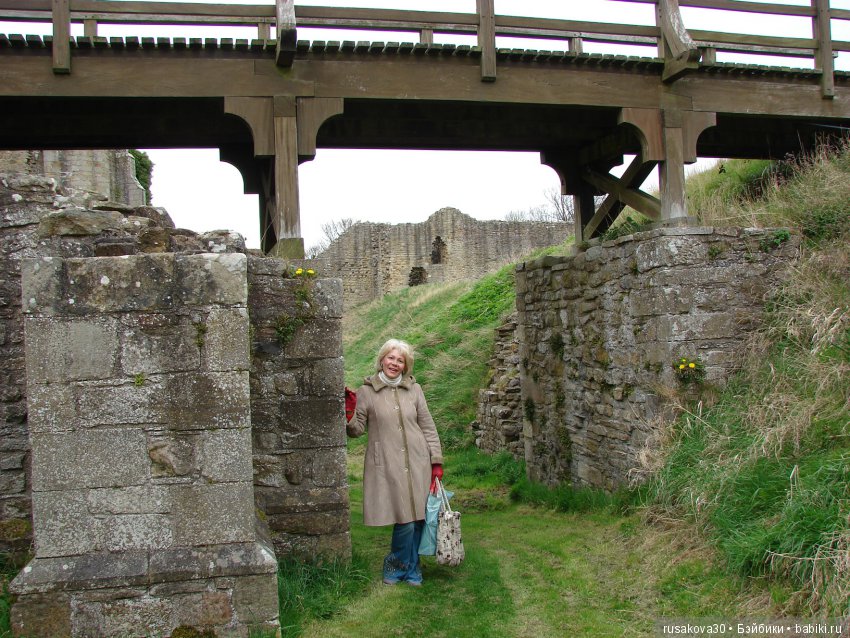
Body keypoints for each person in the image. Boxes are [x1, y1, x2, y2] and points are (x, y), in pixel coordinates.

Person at [346, 338, 444, 586]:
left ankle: (411, 570)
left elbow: (428, 427)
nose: (394, 363)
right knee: (405, 520)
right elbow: (356, 430)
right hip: (387, 463)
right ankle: (398, 564)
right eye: (391, 358)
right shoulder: (367, 391)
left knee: (419, 517)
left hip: (418, 460)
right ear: (382, 359)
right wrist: (348, 412)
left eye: (400, 360)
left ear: (406, 366)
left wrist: (436, 460)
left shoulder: (415, 390)